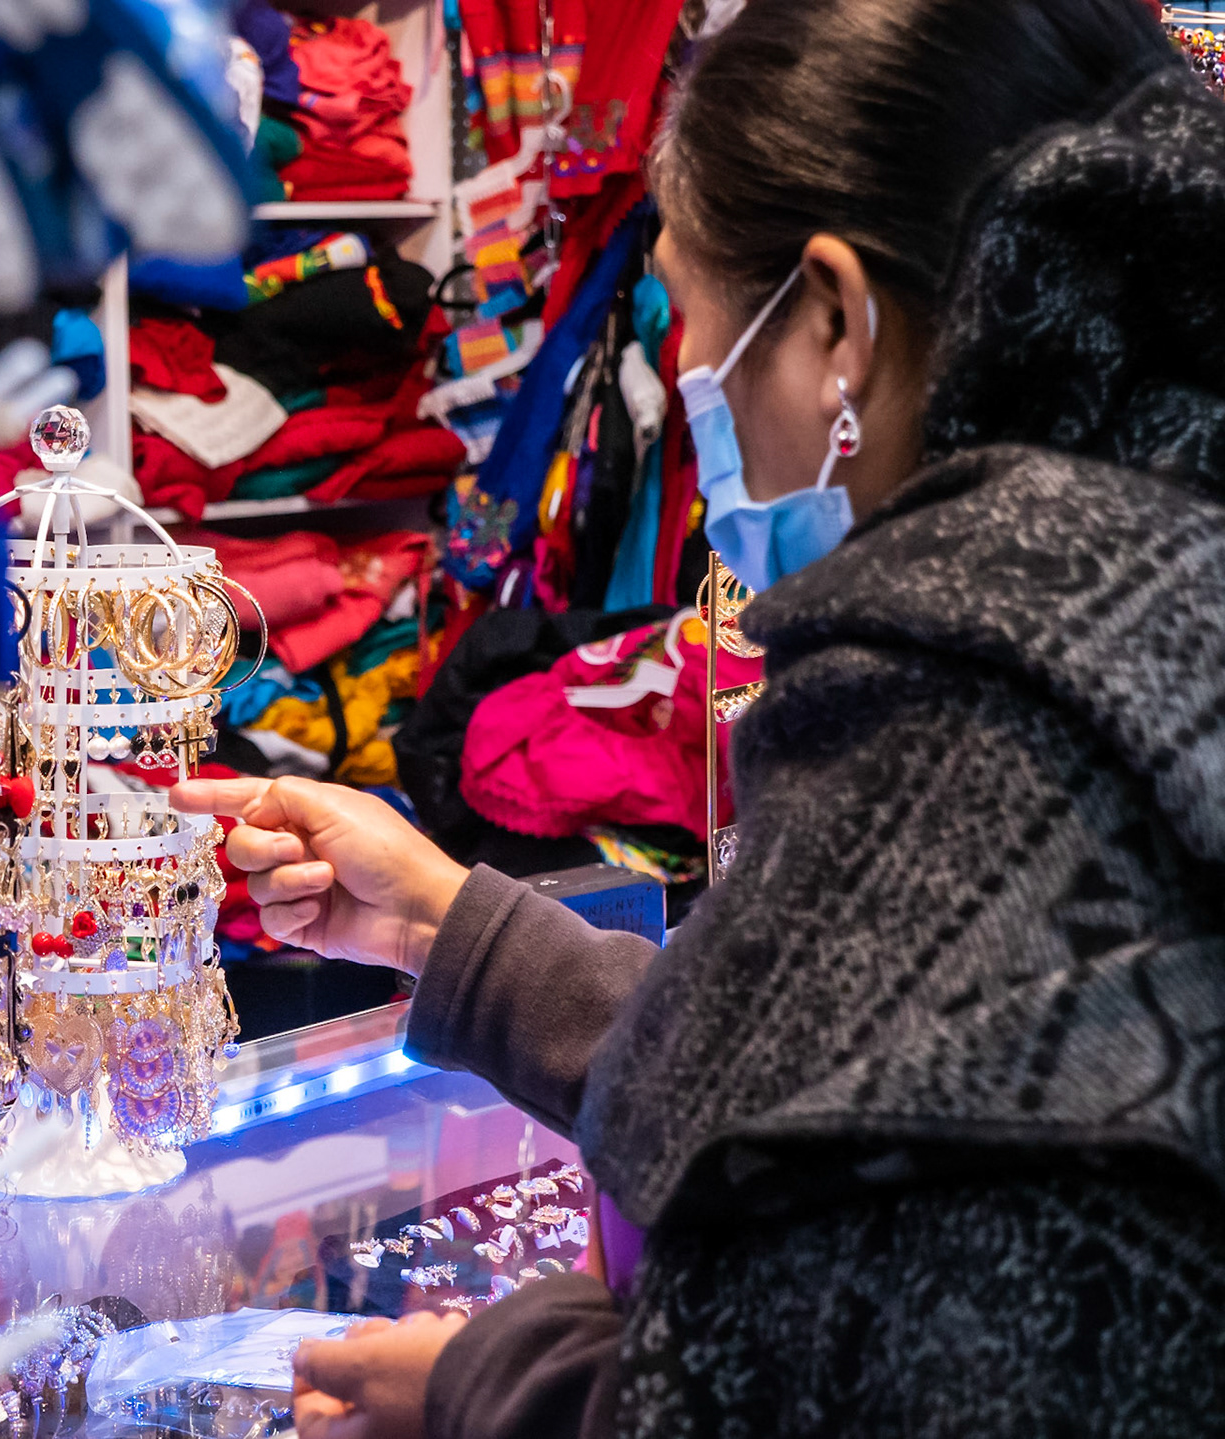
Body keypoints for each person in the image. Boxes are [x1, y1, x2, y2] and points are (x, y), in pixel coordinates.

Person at [172, 0, 1225, 1433]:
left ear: (837, 325)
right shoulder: (1141, 602)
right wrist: (439, 925)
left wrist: (493, 1382)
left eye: (689, 316)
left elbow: (783, 1375)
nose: (680, 379)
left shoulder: (963, 734)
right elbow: (853, 1074)